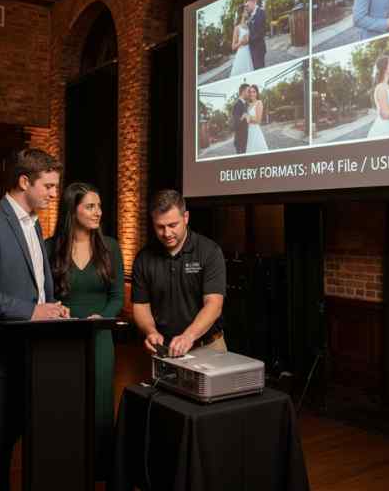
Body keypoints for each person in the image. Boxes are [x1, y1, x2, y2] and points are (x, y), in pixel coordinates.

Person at [0, 148, 67, 491]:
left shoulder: (33, 225)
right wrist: (32, 310)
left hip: (26, 352)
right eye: (48, 186)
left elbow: (31, 285)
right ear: (24, 181)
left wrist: (50, 306)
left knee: (8, 441)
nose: (54, 194)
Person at [46, 182, 124, 482]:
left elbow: (117, 297)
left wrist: (101, 317)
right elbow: (43, 294)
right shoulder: (50, 247)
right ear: (72, 209)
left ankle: (100, 472)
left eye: (99, 206)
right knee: (64, 403)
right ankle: (66, 467)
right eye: (90, 206)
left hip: (99, 337)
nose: (98, 212)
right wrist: (55, 308)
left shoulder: (111, 247)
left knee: (100, 405)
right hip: (61, 338)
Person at [132, 189, 226, 358]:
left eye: (172, 225)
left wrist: (188, 336)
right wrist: (150, 331)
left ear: (186, 218)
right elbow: (141, 305)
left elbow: (214, 304)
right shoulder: (143, 258)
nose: (166, 233)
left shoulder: (209, 251)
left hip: (208, 345)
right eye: (160, 227)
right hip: (165, 349)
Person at [367, 55, 389, 138]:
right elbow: (385, 115)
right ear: (385, 68)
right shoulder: (381, 88)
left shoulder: (388, 86)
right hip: (384, 129)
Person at [230, 5, 254, 76]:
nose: (247, 12)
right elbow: (233, 47)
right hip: (241, 55)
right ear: (241, 13)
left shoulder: (248, 25)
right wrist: (241, 42)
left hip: (250, 53)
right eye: (246, 10)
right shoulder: (237, 28)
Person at [245, 0, 267, 70]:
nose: (247, 7)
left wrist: (248, 40)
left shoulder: (261, 12)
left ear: (253, 2)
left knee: (260, 68)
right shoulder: (250, 16)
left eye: (248, 4)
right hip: (252, 49)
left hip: (259, 48)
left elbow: (261, 32)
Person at [245, 84, 269, 152]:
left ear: (257, 93)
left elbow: (258, 120)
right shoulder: (248, 105)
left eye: (254, 92)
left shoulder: (259, 103)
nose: (252, 94)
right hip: (248, 133)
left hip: (255, 131)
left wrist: (248, 117)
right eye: (250, 92)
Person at [232, 83, 250, 154]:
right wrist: (243, 116)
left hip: (245, 140)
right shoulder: (237, 104)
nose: (249, 93)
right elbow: (235, 125)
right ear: (243, 92)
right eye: (248, 91)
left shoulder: (244, 104)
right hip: (240, 141)